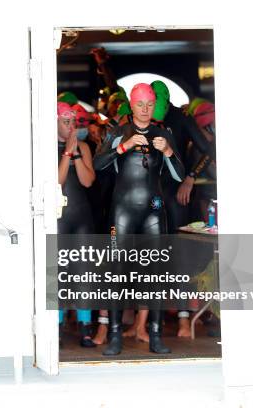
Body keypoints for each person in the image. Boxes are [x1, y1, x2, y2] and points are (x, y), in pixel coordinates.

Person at [94, 83, 184, 356]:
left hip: (153, 208)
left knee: (154, 273)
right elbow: (99, 165)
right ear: (131, 105)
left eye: (149, 104)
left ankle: (155, 335)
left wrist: (168, 151)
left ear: (154, 105)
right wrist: (123, 147)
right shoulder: (117, 132)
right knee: (115, 273)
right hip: (121, 210)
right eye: (140, 104)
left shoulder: (163, 133)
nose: (145, 110)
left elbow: (180, 174)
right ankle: (115, 337)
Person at [150, 81, 214, 337]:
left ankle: (185, 318)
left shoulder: (180, 118)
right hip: (152, 194)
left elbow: (209, 149)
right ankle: (149, 321)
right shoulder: (142, 120)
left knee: (180, 255)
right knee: (151, 253)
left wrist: (190, 177)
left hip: (177, 194)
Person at [56, 102, 96, 347]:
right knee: (59, 274)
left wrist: (77, 152)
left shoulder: (83, 146)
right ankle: (57, 325)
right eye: (65, 122)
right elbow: (57, 182)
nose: (71, 126)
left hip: (82, 216)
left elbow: (88, 181)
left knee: (83, 273)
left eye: (73, 122)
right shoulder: (45, 146)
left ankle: (85, 326)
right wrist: (67, 153)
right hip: (59, 217)